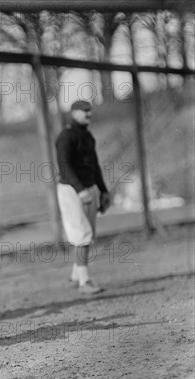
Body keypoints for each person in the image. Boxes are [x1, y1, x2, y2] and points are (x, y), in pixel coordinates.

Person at [55, 100, 111, 294]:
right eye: (85, 111)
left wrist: (104, 190)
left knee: (88, 235)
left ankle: (75, 276)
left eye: (90, 110)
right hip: (71, 190)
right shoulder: (66, 136)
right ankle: (84, 282)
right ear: (74, 113)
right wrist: (79, 189)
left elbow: (95, 166)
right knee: (82, 235)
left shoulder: (87, 136)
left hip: (88, 188)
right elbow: (64, 165)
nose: (89, 114)